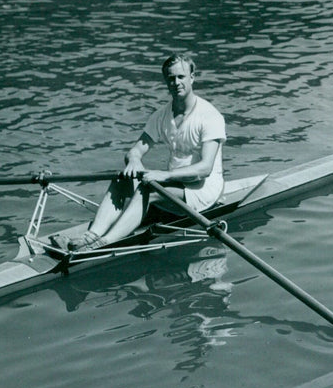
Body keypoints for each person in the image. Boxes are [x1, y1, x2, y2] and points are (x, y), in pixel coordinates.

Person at [52, 53, 226, 252]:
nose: (176, 82)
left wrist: (165, 175)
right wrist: (134, 160)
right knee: (121, 179)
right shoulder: (162, 115)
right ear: (166, 81)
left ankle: (104, 244)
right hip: (175, 184)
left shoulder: (210, 116)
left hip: (202, 191)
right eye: (171, 78)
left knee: (148, 190)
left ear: (192, 77)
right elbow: (135, 150)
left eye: (181, 77)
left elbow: (205, 169)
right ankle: (91, 235)